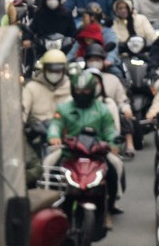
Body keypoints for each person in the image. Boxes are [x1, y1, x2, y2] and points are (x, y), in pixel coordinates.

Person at [46, 72, 123, 213]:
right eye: (79, 90)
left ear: (93, 90)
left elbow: (109, 129)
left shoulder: (102, 109)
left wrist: (113, 143)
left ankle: (112, 201)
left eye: (86, 90)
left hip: (97, 152)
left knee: (115, 167)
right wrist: (53, 136)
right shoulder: (64, 108)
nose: (82, 93)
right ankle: (49, 201)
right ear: (73, 90)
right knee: (49, 164)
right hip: (69, 151)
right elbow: (55, 125)